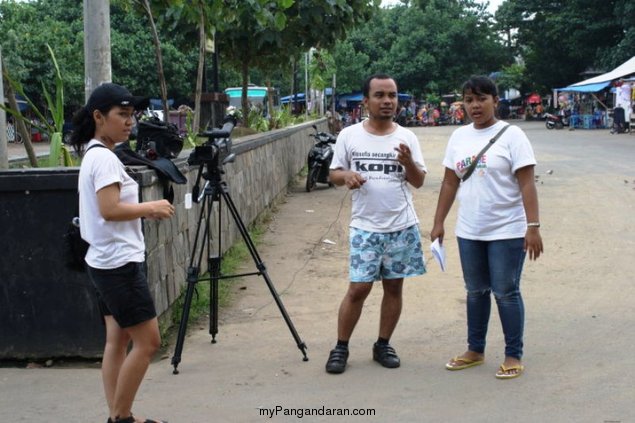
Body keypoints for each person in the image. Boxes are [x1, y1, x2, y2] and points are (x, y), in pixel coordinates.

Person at [71, 83, 174, 423]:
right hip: (119, 264)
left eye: (132, 115)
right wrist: (152, 207)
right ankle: (121, 418)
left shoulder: (95, 153)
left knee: (117, 341)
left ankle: (120, 416)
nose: (129, 122)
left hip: (104, 261)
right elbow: (110, 209)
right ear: (99, 117)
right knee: (148, 343)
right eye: (122, 115)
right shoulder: (103, 158)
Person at [430, 75, 543, 380]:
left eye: (482, 98)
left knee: (505, 292)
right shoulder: (459, 137)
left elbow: (527, 183)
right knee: (475, 291)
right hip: (470, 230)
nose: (475, 105)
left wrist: (532, 226)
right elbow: (450, 181)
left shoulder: (513, 135)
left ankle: (512, 354)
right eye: (469, 100)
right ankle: (475, 350)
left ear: (495, 100)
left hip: (507, 230)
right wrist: (439, 222)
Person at [325, 74, 427, 374]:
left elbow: (419, 182)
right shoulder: (349, 135)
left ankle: (383, 344)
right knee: (358, 289)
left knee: (394, 288)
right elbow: (333, 173)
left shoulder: (407, 137)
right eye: (380, 95)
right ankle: (341, 347)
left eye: (392, 95)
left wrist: (407, 162)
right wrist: (347, 177)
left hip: (401, 226)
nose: (387, 101)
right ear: (366, 100)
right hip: (365, 227)